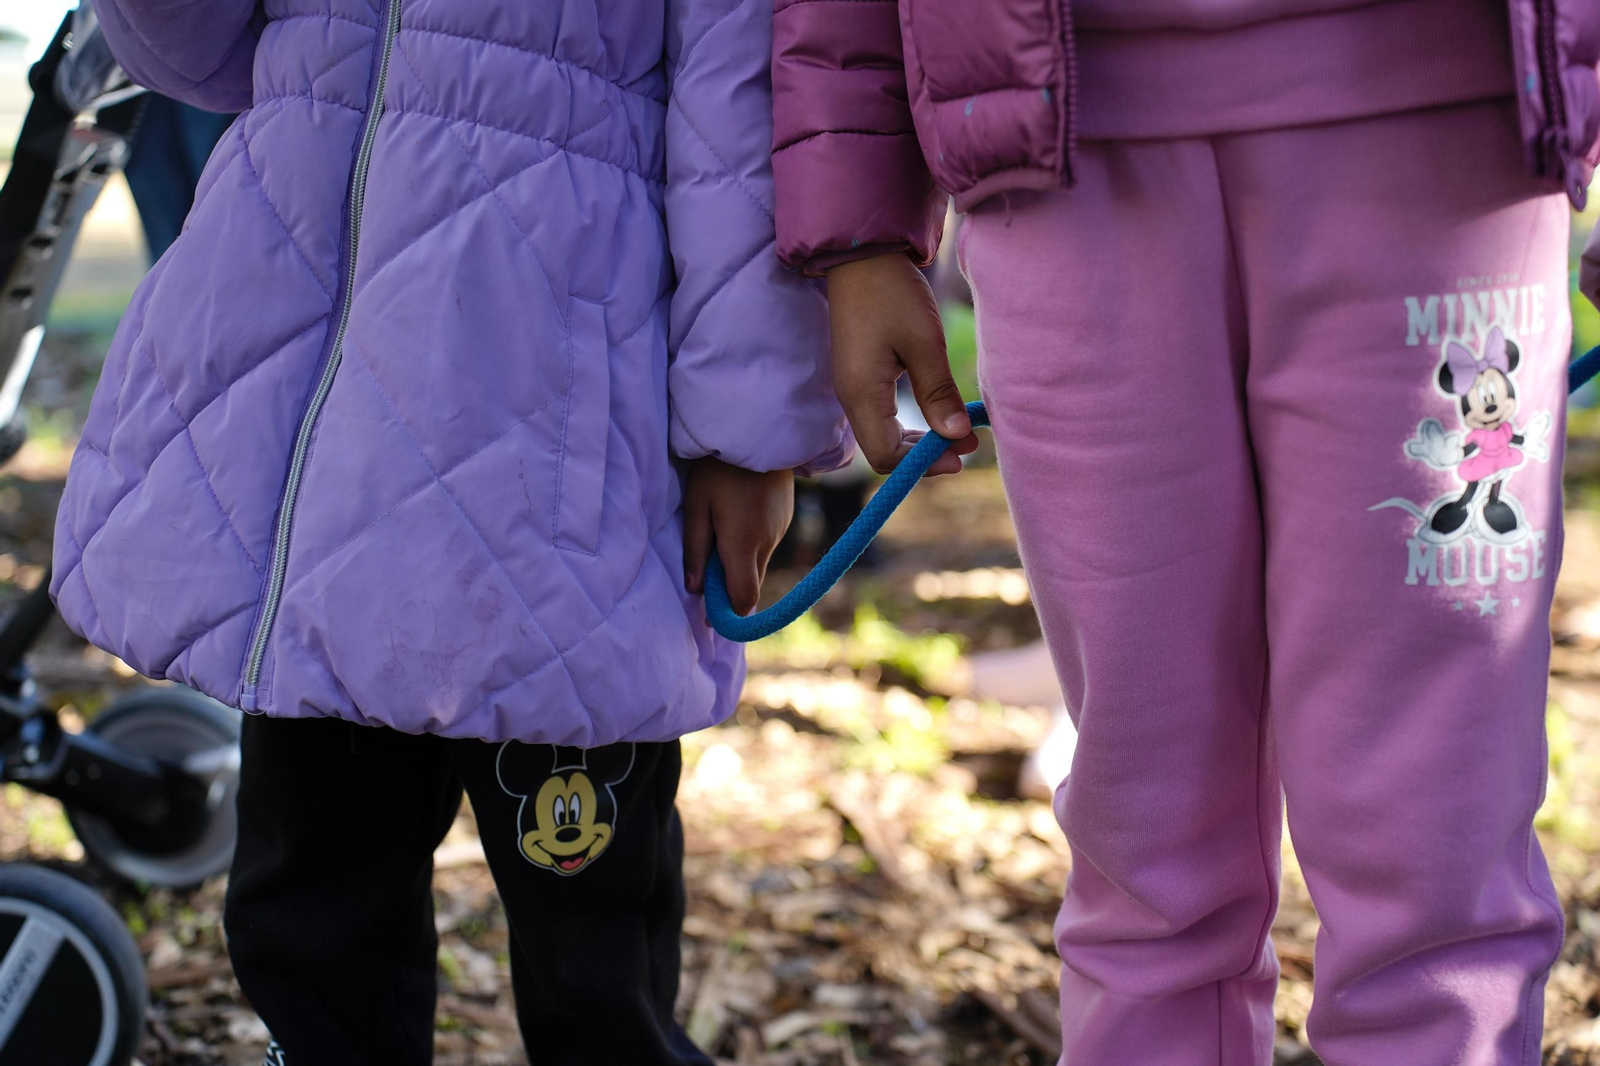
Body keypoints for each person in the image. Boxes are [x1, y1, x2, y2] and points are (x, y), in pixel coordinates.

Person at [772, 1, 1600, 1062]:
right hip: (1061, 163)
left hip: (1444, 142)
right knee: (1144, 841)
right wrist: (859, 225)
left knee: (1434, 844)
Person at [54, 1, 848, 1063]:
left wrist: (747, 432)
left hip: (560, 467)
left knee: (592, 956)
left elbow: (738, 128)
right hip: (324, 460)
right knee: (311, 910)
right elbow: (198, 53)